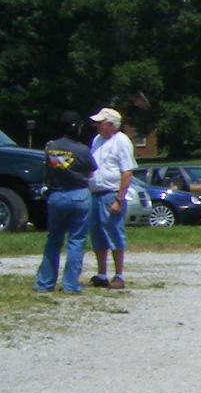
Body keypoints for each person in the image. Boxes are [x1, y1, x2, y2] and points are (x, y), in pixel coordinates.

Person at [34, 112, 95, 293]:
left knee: (53, 240)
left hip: (57, 196)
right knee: (76, 240)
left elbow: (48, 169)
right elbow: (91, 172)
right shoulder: (83, 150)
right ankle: (70, 284)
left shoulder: (51, 147)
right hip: (79, 195)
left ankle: (45, 283)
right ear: (77, 128)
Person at [86, 106, 136, 289]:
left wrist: (119, 199)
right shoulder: (97, 140)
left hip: (111, 194)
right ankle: (101, 273)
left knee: (114, 233)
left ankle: (119, 275)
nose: (98, 126)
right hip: (96, 193)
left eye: (101, 123)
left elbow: (127, 172)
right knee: (97, 234)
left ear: (111, 125)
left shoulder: (121, 141)